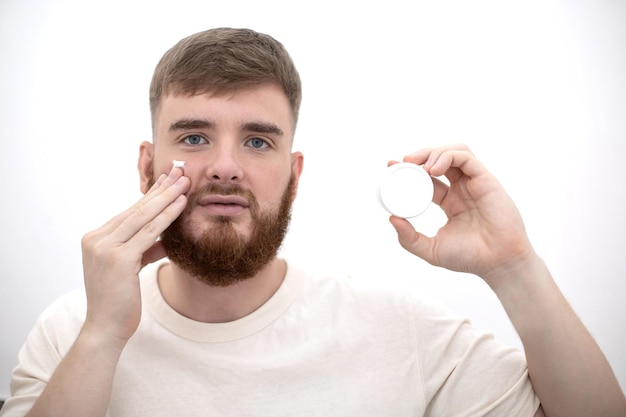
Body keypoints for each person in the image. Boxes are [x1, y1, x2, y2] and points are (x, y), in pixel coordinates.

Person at [1, 27, 624, 417]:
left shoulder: (401, 332)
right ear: (147, 166)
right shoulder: (72, 335)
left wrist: (515, 267)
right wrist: (103, 335)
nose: (224, 167)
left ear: (294, 173)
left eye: (257, 142)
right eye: (193, 136)